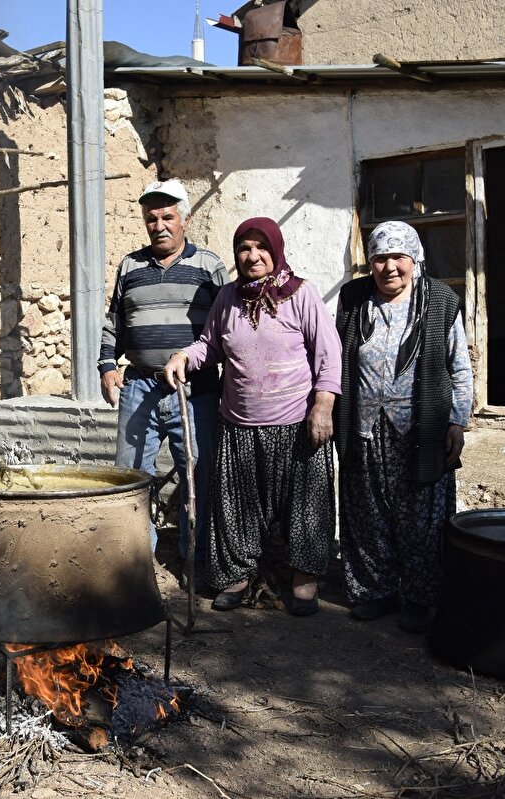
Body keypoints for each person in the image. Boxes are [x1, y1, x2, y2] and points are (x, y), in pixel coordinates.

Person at [164, 217, 341, 616]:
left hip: (295, 423)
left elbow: (328, 354)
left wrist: (323, 406)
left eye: (261, 247)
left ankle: (304, 581)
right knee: (236, 507)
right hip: (239, 424)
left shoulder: (301, 294)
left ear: (276, 250)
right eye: (244, 248)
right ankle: (237, 577)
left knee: (304, 507)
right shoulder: (228, 297)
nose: (252, 255)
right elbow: (210, 345)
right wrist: (184, 357)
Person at [334, 221, 473, 634]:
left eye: (399, 257)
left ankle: (418, 597)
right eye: (380, 258)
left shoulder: (440, 301)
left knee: (422, 515)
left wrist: (457, 421)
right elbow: (337, 356)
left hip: (419, 429)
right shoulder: (354, 298)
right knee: (366, 509)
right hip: (364, 426)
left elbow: (460, 368)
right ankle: (376, 590)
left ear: (415, 259)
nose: (389, 267)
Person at [99, 179, 229, 568]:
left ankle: (196, 561)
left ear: (185, 220)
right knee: (131, 478)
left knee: (198, 477)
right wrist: (107, 365)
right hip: (139, 386)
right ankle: (135, 561)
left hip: (195, 390)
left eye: (167, 217)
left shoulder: (209, 267)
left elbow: (226, 329)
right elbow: (114, 322)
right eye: (151, 219)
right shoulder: (130, 266)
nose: (159, 226)